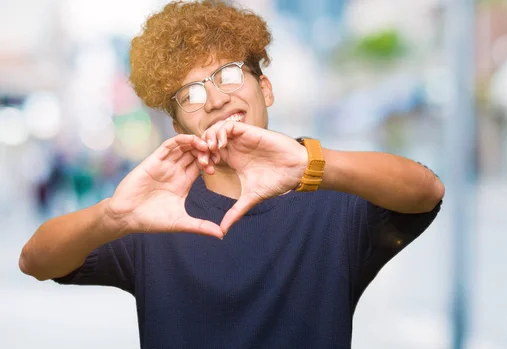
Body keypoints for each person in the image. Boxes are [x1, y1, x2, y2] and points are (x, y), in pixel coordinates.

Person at [19, 1, 445, 348]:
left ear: (266, 89)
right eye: (192, 93)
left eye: (228, 74)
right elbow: (34, 261)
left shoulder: (330, 195)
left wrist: (308, 164)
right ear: (178, 126)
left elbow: (426, 191)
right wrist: (110, 217)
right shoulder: (156, 214)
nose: (216, 99)